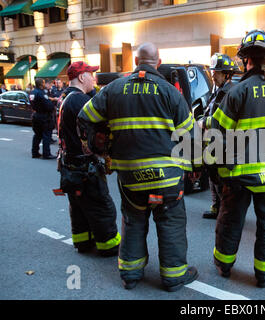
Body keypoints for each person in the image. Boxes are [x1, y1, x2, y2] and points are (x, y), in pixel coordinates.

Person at [77, 42, 198, 292]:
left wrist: (99, 148)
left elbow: (84, 117)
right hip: (167, 179)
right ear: (159, 63)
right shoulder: (171, 92)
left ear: (135, 62)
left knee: (133, 221)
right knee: (171, 222)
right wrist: (192, 168)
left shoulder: (113, 90)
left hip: (131, 178)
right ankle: (174, 276)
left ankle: (130, 275)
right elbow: (191, 137)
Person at [210, 29, 265, 288]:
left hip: (240, 176)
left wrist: (216, 170)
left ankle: (224, 266)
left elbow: (218, 135)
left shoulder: (237, 93)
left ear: (245, 60)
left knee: (231, 220)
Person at [57, 61, 120, 256]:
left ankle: (83, 243)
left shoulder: (67, 97)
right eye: (91, 74)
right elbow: (101, 121)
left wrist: (93, 93)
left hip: (71, 167)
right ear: (82, 77)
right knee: (101, 207)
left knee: (79, 208)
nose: (94, 78)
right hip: (84, 168)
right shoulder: (78, 100)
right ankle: (109, 246)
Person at [198, 53, 241, 219]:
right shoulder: (219, 91)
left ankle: (225, 211)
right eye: (213, 72)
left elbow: (220, 120)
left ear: (227, 74)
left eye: (216, 72)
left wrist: (203, 122)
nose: (213, 75)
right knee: (212, 178)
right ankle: (217, 208)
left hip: (223, 144)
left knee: (221, 181)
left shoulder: (229, 93)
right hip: (213, 143)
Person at [30, 78, 56, 159]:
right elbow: (48, 106)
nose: (45, 84)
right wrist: (52, 105)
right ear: (41, 84)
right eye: (44, 83)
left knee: (37, 135)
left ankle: (35, 152)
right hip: (44, 116)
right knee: (46, 135)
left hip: (36, 115)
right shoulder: (41, 93)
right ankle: (46, 153)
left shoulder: (32, 92)